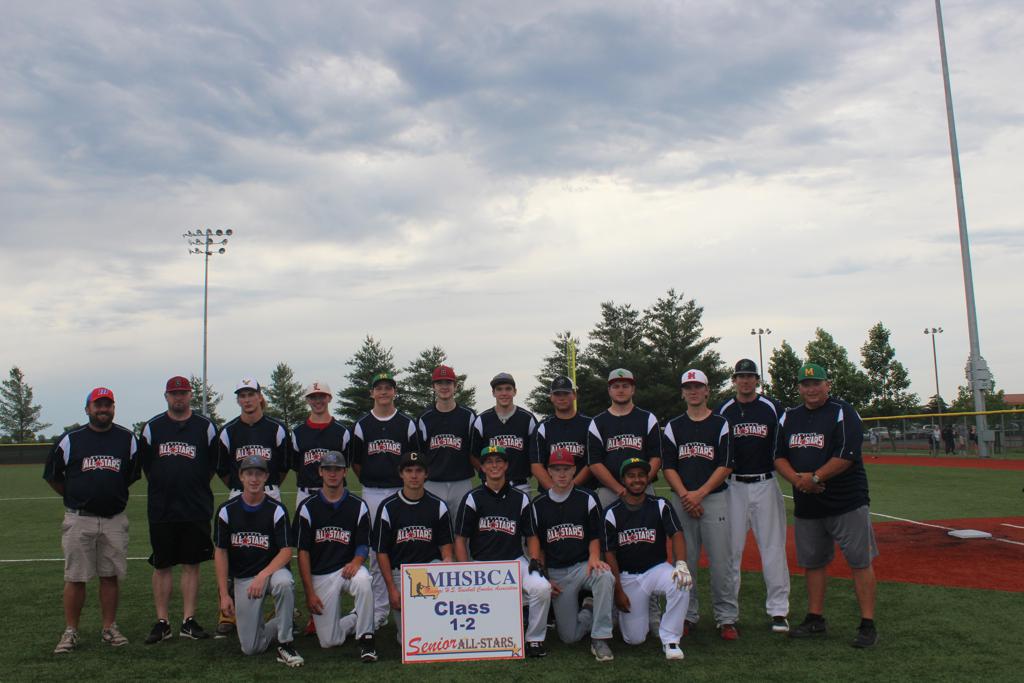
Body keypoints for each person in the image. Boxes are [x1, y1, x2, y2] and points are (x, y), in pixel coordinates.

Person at [775, 363, 878, 648]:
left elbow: (846, 455)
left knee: (860, 561)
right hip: (808, 502)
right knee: (813, 563)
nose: (811, 389)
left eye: (816, 383)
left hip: (846, 500)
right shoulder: (789, 417)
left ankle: (867, 624)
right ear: (799, 388)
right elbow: (778, 456)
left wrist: (816, 477)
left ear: (827, 385)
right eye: (805, 384)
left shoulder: (843, 411)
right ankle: (815, 618)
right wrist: (798, 480)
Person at [44, 387, 139, 654]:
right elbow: (53, 475)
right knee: (75, 577)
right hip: (79, 519)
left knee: (110, 576)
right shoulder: (71, 439)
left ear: (113, 408)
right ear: (87, 408)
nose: (103, 409)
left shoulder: (127, 439)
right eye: (98, 405)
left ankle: (109, 628)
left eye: (108, 405)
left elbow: (130, 474)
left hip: (113, 519)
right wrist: (75, 496)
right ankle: (71, 631)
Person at [138, 376, 218, 644]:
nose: (179, 398)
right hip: (162, 506)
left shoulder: (205, 427)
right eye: (174, 394)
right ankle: (163, 622)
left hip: (195, 506)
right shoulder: (152, 428)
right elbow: (148, 467)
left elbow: (211, 465)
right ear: (166, 396)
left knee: (192, 564)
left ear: (190, 395)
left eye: (183, 393)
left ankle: (188, 620)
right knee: (162, 564)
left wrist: (192, 485)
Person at [455, 446, 552, 658]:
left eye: (499, 461)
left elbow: (532, 536)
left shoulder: (521, 498)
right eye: (489, 462)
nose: (494, 465)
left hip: (515, 560)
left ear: (506, 465)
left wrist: (534, 559)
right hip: (482, 562)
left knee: (542, 587)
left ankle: (534, 639)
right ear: (482, 467)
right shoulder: (473, 498)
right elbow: (461, 539)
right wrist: (464, 569)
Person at [662, 369, 738, 640]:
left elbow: (725, 464)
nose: (693, 391)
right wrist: (686, 495)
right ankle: (687, 614)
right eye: (688, 387)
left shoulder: (721, 423)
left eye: (698, 387)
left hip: (714, 498)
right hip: (682, 499)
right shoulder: (673, 426)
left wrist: (700, 493)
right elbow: (668, 466)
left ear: (707, 391)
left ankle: (726, 617)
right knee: (684, 561)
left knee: (721, 562)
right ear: (682, 392)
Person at [214, 376, 293, 637]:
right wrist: (242, 487)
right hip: (239, 493)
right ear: (238, 399)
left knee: (276, 547)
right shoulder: (228, 431)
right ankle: (227, 611)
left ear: (260, 397)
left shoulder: (276, 428)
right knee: (236, 548)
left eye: (251, 394)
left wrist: (265, 485)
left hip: (270, 491)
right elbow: (223, 468)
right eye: (242, 395)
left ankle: (285, 608)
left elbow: (282, 466)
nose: (247, 400)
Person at [716, 359, 790, 633]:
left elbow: (784, 442)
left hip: (765, 482)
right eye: (740, 376)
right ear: (733, 380)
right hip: (732, 486)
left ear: (757, 380)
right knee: (730, 551)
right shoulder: (724, 409)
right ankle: (728, 614)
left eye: (750, 376)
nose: (745, 381)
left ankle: (779, 611)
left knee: (772, 548)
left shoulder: (772, 407)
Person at [588, 368, 664, 631]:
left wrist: (639, 486)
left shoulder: (647, 418)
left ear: (633, 389)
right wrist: (620, 489)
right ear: (609, 390)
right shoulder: (598, 422)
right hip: (609, 491)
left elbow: (656, 456)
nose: (620, 389)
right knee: (611, 544)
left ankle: (652, 608)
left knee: (649, 543)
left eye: (625, 385)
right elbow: (595, 462)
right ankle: (609, 606)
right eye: (615, 385)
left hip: (643, 490)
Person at [214, 455, 304, 666]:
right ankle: (284, 619)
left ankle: (286, 642)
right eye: (249, 474)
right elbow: (220, 552)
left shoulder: (276, 509)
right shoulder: (227, 510)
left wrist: (263, 575)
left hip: (271, 573)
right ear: (241, 477)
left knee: (284, 582)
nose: (254, 479)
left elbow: (285, 551)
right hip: (244, 576)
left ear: (266, 477)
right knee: (251, 648)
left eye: (259, 474)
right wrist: (224, 594)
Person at [527, 448, 614, 662]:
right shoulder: (539, 504)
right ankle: (589, 609)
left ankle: (600, 637)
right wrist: (544, 575)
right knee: (569, 637)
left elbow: (595, 534)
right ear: (548, 471)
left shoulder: (588, 498)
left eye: (566, 468)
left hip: (582, 566)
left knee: (605, 576)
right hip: (557, 572)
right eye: (556, 469)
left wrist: (595, 557)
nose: (562, 474)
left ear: (574, 469)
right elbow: (536, 541)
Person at [604, 458, 692, 661]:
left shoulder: (660, 504)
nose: (637, 480)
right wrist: (618, 591)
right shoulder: (612, 512)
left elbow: (677, 534)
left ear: (648, 478)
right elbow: (610, 555)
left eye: (641, 475)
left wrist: (681, 564)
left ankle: (670, 639)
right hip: (629, 577)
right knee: (634, 639)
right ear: (623, 480)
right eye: (631, 476)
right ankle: (634, 608)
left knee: (681, 581)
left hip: (656, 569)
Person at [349, 371, 419, 628]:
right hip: (373, 492)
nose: (384, 392)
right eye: (379, 388)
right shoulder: (362, 425)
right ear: (372, 393)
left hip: (401, 492)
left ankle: (412, 603)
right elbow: (356, 464)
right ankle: (379, 610)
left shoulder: (406, 423)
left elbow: (414, 461)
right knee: (377, 550)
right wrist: (371, 478)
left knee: (407, 543)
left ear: (394, 392)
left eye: (388, 388)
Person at [294, 450, 377, 663]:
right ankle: (356, 618)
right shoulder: (307, 507)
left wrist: (357, 561)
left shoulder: (357, 505)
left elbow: (362, 544)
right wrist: (309, 593)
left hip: (347, 568)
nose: (333, 473)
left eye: (337, 469)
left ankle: (367, 640)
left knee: (364, 581)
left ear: (345, 472)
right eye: (328, 469)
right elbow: (302, 553)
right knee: (330, 641)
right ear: (320, 472)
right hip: (320, 574)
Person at [374, 451, 454, 645]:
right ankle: (358, 618)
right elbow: (381, 552)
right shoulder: (388, 507)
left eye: (419, 470)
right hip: (401, 575)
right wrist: (391, 589)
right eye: (409, 470)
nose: (414, 475)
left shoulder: (438, 506)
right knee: (410, 641)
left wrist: (447, 573)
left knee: (438, 635)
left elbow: (446, 547)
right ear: (401, 474)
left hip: (429, 573)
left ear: (426, 474)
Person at [417, 365, 478, 515]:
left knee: (462, 529)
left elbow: (474, 450)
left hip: (462, 482)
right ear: (433, 387)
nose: (444, 387)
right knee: (434, 530)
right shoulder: (424, 418)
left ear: (455, 386)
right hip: (432, 482)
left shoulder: (468, 415)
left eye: (448, 383)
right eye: (439, 383)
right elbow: (420, 453)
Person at [470, 372, 538, 496]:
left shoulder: (527, 419)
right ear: (493, 393)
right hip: (490, 485)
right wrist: (486, 472)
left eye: (508, 389)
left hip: (521, 484)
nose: (504, 393)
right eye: (499, 389)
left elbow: (535, 454)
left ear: (515, 391)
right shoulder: (482, 420)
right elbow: (474, 454)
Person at [291, 381, 350, 512]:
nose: (318, 401)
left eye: (322, 396)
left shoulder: (342, 431)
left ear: (329, 398)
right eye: (313, 397)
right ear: (307, 400)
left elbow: (347, 465)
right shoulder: (297, 432)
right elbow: (297, 467)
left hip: (336, 494)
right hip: (305, 494)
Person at [530, 375, 594, 493]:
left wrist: (571, 488)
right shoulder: (543, 427)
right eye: (557, 394)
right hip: (550, 493)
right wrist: (554, 490)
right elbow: (536, 465)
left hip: (583, 492)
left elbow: (592, 462)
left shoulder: (589, 424)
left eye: (566, 393)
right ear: (551, 397)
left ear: (574, 395)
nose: (561, 398)